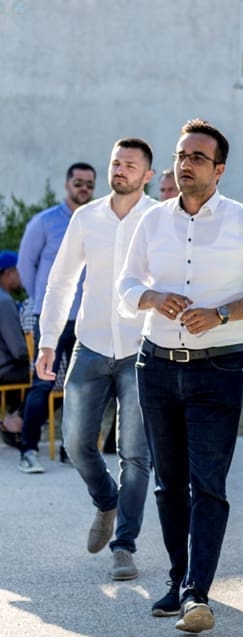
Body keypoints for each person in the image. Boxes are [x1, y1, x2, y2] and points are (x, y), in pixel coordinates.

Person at [117, 118, 243, 634]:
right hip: (156, 365)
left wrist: (223, 313)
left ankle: (196, 593)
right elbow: (124, 285)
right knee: (169, 484)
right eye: (180, 155)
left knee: (207, 482)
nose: (184, 164)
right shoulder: (151, 221)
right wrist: (151, 298)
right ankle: (178, 578)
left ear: (220, 169)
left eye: (197, 157)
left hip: (219, 368)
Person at [37, 138, 157, 581]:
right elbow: (61, 280)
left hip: (140, 350)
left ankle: (124, 545)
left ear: (147, 175)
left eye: (130, 165)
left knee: (136, 454)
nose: (119, 170)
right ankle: (106, 500)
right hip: (89, 346)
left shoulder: (159, 219)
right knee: (75, 442)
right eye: (116, 163)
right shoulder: (86, 217)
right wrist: (49, 340)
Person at [16, 161, 94, 474]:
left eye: (89, 183)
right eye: (78, 182)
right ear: (67, 185)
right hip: (50, 319)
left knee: (80, 387)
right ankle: (28, 451)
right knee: (42, 385)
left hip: (86, 320)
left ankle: (69, 450)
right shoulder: (45, 222)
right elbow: (25, 266)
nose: (83, 188)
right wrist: (42, 303)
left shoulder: (95, 222)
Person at [0, 251, 29, 446]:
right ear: (9, 273)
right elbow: (18, 350)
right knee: (49, 376)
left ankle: (13, 415)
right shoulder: (4, 302)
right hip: (5, 369)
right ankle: (15, 419)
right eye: (21, 272)